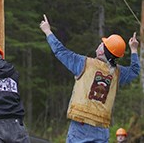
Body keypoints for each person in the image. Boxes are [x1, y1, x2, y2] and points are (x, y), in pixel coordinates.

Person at [39, 14, 140, 142]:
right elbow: (135, 71)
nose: (100, 44)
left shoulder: (84, 63)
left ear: (102, 51)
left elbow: (60, 51)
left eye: (103, 43)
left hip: (80, 126)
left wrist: (47, 31)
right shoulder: (118, 73)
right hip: (102, 128)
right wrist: (134, 49)